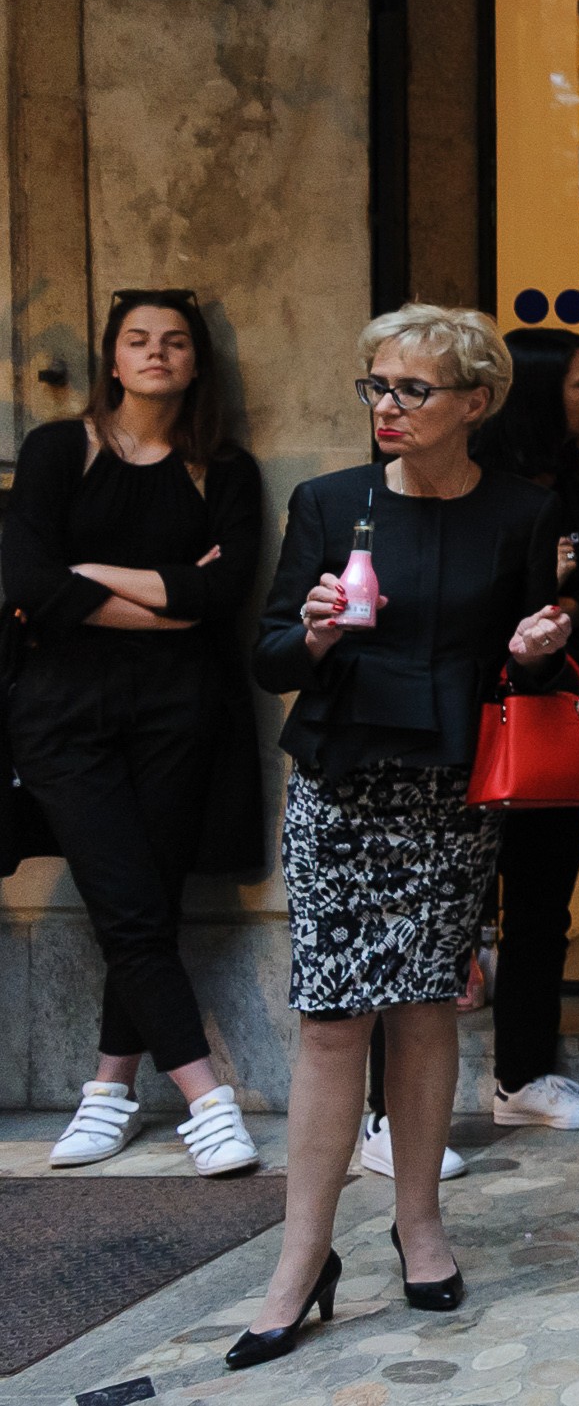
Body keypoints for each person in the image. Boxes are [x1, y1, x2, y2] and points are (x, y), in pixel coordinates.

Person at [232, 306, 576, 1370]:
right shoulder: (328, 501)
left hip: (451, 792)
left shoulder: (522, 512)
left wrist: (533, 647)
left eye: (411, 389)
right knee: (332, 1018)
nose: (386, 405)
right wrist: (312, 633)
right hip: (342, 784)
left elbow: (528, 668)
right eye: (375, 385)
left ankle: (419, 1225)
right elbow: (270, 656)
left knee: (426, 1006)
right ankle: (301, 1258)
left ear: (475, 401)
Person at [9, 288, 267, 1178]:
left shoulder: (223, 470)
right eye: (138, 339)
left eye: (176, 341)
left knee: (146, 903)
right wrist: (167, 601)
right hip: (61, 714)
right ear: (112, 359)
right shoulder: (58, 449)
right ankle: (208, 1100)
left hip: (178, 713)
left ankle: (108, 1091)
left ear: (196, 363)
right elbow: (28, 580)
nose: (157, 352)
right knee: (126, 898)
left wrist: (91, 572)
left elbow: (222, 592)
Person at [468, 328, 579, 1136]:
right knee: (449, 907)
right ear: (536, 391)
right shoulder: (471, 478)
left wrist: (561, 606)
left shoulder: (572, 474)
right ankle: (391, 1109)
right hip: (473, 721)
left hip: (553, 724)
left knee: (540, 907)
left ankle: (522, 1076)